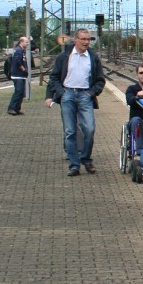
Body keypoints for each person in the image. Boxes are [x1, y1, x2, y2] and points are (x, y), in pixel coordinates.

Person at [45, 29, 105, 176]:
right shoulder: (64, 56)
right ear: (75, 40)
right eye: (83, 39)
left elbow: (100, 79)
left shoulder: (93, 57)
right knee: (70, 131)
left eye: (88, 39)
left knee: (89, 129)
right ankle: (74, 165)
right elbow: (54, 77)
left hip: (85, 95)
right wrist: (58, 93)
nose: (86, 42)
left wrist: (91, 93)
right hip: (68, 95)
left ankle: (85, 158)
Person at [6, 36, 29, 116]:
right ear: (21, 42)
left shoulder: (21, 50)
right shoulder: (18, 51)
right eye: (26, 42)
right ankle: (11, 108)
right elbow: (18, 61)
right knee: (18, 91)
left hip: (20, 75)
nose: (27, 43)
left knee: (21, 93)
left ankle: (17, 109)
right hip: (17, 75)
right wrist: (24, 70)